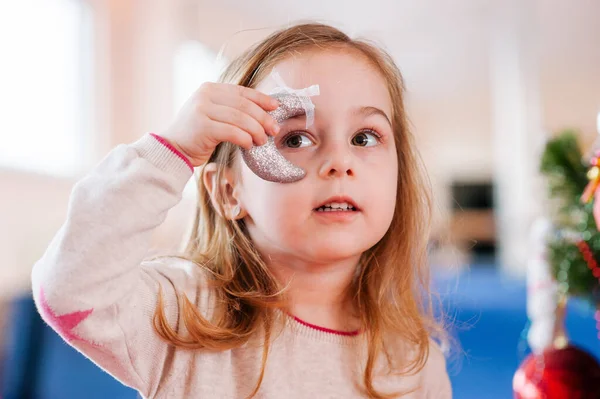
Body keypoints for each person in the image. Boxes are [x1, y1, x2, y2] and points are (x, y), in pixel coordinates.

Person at [32, 22, 451, 398]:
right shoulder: (181, 315)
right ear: (229, 192)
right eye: (296, 139)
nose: (340, 161)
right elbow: (69, 292)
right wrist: (170, 151)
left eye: (364, 138)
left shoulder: (416, 366)